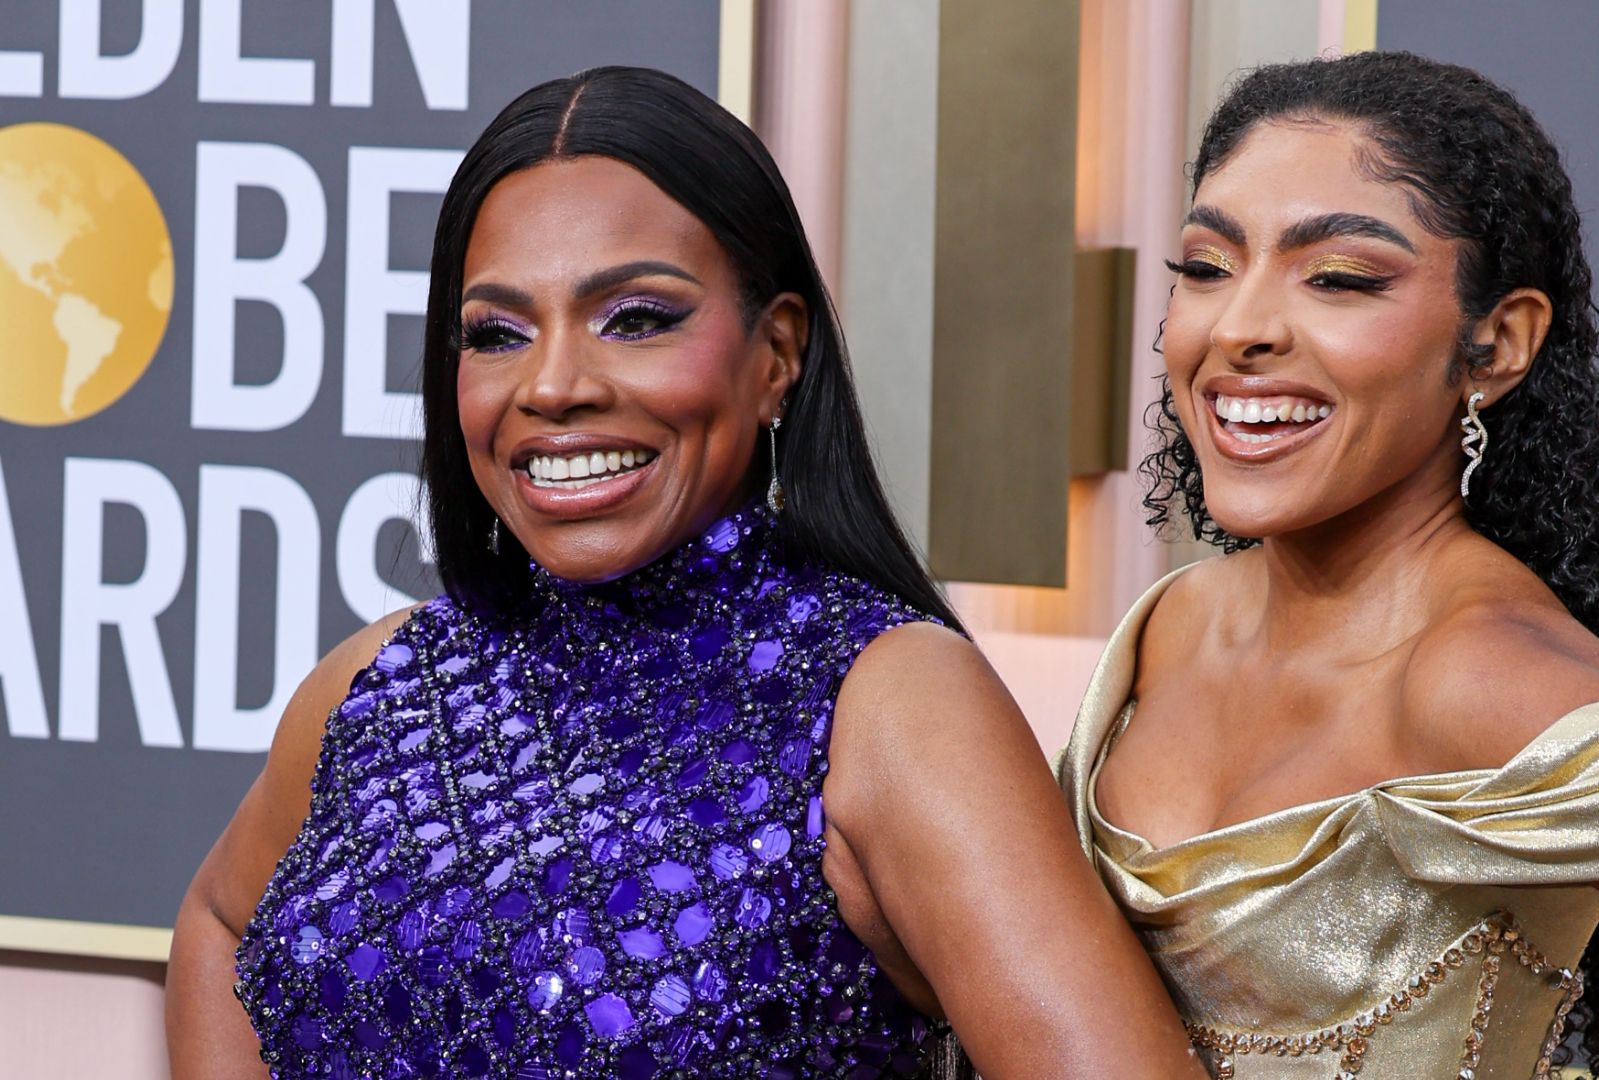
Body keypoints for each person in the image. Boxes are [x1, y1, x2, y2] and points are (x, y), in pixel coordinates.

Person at [166, 66, 1203, 1080]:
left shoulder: (887, 703)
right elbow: (219, 922)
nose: (555, 384)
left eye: (637, 319)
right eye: (497, 334)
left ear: (777, 355)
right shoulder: (382, 681)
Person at [1056, 52, 1599, 1079]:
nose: (1239, 326)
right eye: (1206, 266)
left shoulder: (1492, 678)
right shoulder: (1169, 624)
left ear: (1497, 345)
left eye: (1338, 278)